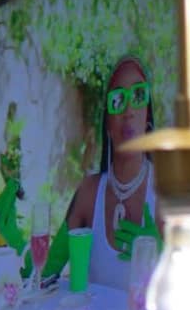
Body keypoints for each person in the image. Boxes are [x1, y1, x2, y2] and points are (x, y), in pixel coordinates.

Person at [39, 54, 163, 279]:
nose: (128, 111)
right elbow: (44, 272)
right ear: (107, 124)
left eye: (138, 95)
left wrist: (161, 254)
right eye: (117, 100)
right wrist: (15, 239)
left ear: (147, 116)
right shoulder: (88, 192)